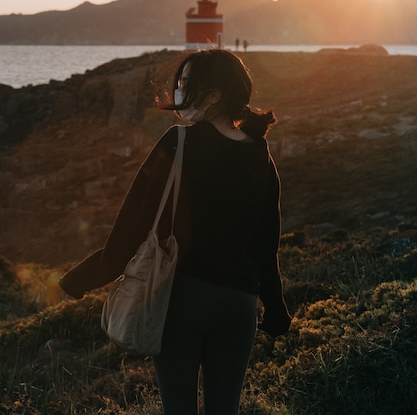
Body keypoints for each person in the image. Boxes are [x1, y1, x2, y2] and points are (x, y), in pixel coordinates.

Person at [59, 48, 291, 415]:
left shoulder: (179, 141)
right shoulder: (259, 153)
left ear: (214, 95)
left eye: (186, 84)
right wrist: (275, 308)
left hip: (182, 299)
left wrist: (83, 279)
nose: (178, 91)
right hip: (239, 307)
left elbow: (132, 226)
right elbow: (267, 242)